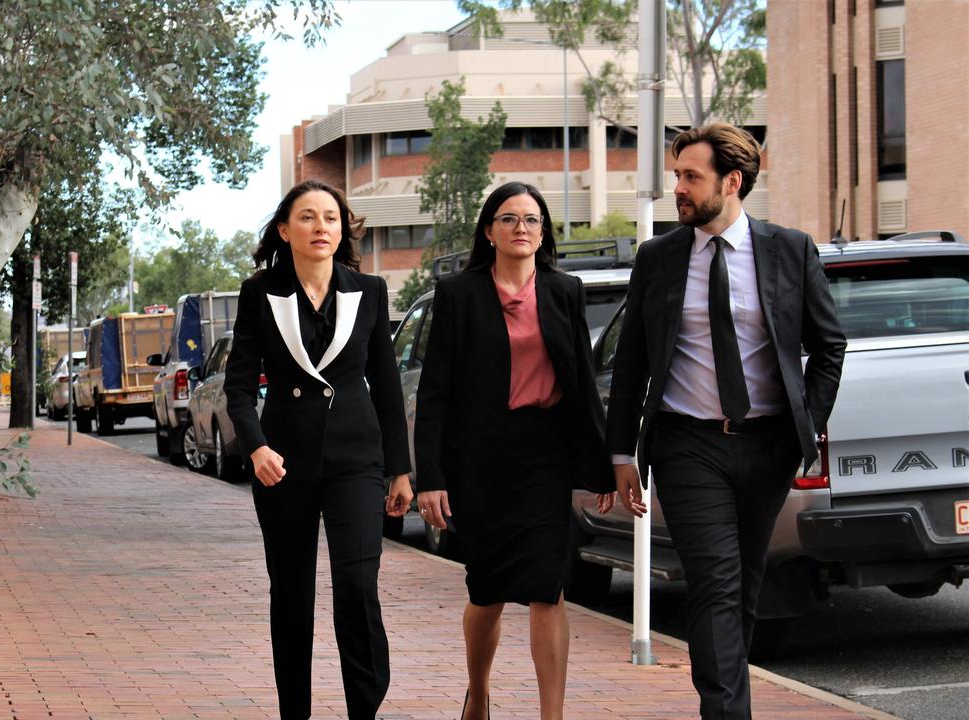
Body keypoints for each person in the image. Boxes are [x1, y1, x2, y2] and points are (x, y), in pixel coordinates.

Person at [605, 123, 846, 719]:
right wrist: (620, 454)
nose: (678, 189)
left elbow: (829, 345)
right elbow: (632, 360)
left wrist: (804, 429)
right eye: (677, 176)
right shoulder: (658, 259)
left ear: (731, 182)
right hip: (688, 445)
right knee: (713, 583)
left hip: (767, 445)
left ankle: (726, 700)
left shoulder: (790, 250)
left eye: (691, 177)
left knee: (742, 586)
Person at [414, 181, 616, 720]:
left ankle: (553, 715)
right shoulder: (457, 294)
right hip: (479, 460)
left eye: (531, 219)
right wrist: (429, 475)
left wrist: (603, 466)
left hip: (544, 454)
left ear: (543, 231)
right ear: (489, 230)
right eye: (508, 219)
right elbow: (434, 391)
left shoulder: (564, 289)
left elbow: (580, 381)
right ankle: (478, 691)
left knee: (548, 587)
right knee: (488, 592)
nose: (520, 227)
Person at [223, 179, 414, 719]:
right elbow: (238, 387)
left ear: (342, 228)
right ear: (285, 230)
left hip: (357, 461)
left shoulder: (369, 291)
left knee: (357, 587)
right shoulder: (259, 292)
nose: (321, 227)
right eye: (307, 217)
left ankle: (365, 710)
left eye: (330, 217)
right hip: (282, 466)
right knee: (292, 595)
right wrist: (256, 448)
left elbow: (387, 385)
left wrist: (399, 470)